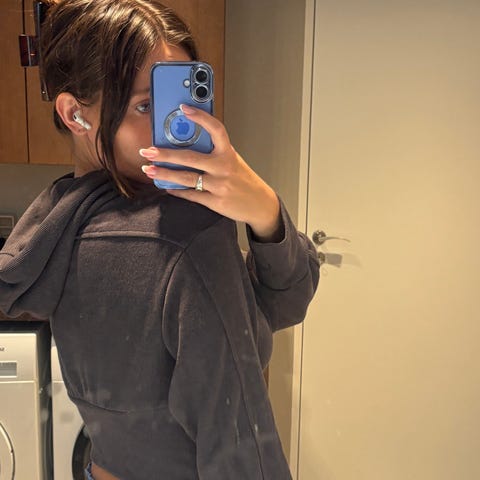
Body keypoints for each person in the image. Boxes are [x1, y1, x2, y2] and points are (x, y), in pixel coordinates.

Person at [0, 1, 320, 479]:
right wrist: (263, 208)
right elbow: (238, 442)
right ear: (74, 114)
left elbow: (271, 307)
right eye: (145, 105)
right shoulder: (187, 235)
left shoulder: (55, 226)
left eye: (183, 100)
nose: (176, 126)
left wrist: (265, 215)